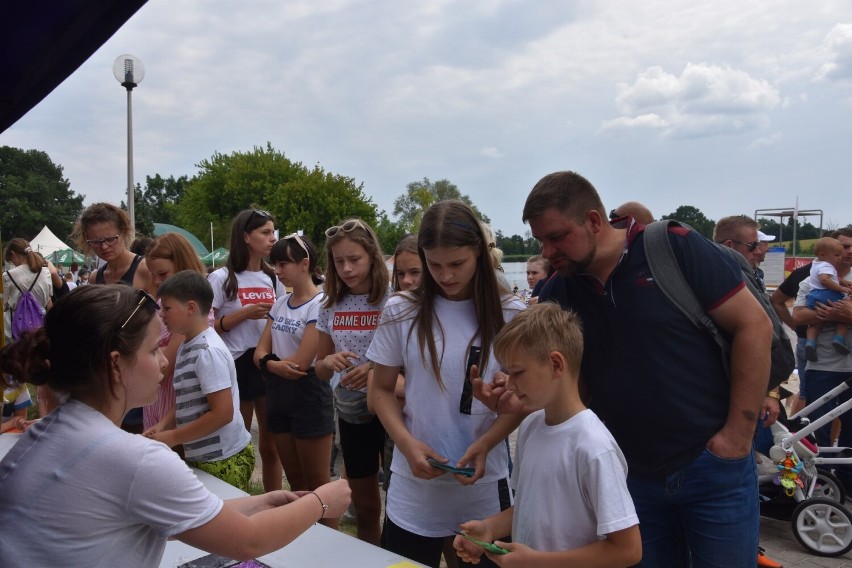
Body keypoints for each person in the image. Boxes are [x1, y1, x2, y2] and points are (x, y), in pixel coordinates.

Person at [477, 171, 771, 566]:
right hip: (631, 476)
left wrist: (737, 436)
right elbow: (548, 373)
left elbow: (754, 326)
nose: (547, 251)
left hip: (713, 468)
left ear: (594, 222)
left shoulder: (672, 247)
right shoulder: (562, 288)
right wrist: (511, 392)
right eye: (540, 241)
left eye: (557, 236)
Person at [0, 285, 350, 566]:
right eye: (154, 350)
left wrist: (262, 502)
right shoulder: (135, 459)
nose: (164, 360)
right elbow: (248, 541)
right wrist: (321, 500)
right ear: (115, 365)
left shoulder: (46, 432)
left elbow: (175, 517)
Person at [367, 200, 525, 568]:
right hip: (413, 487)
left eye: (457, 264)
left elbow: (524, 401)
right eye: (433, 265)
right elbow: (379, 390)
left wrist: (486, 442)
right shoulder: (401, 309)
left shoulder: (511, 313)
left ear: (479, 256)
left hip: (484, 486)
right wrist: (406, 444)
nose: (445, 276)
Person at [453, 302, 641, 567]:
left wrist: (538, 561)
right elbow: (530, 508)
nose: (509, 383)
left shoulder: (594, 447)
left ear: (555, 364)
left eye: (517, 372)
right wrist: (489, 528)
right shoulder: (531, 426)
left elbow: (628, 550)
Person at [315, 217, 390, 546]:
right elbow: (319, 368)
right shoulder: (329, 304)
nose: (346, 268)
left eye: (354, 259)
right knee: (365, 504)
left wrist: (374, 367)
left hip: (393, 408)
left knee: (401, 503)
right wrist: (328, 361)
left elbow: (412, 361)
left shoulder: (392, 299)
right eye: (339, 261)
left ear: (372, 256)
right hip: (350, 411)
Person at [253, 233, 336, 526]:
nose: (277, 270)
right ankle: (306, 541)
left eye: (282, 264)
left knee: (319, 488)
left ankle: (329, 548)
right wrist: (271, 364)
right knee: (297, 482)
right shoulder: (280, 302)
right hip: (278, 393)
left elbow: (301, 362)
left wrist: (267, 363)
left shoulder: (321, 303)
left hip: (308, 393)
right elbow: (259, 351)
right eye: (274, 264)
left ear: (304, 264)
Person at [144, 271, 254, 491]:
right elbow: (187, 396)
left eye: (167, 308)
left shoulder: (207, 352)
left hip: (223, 458)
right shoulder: (188, 344)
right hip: (204, 455)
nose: (162, 316)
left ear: (191, 308)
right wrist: (164, 424)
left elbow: (222, 413)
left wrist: (173, 436)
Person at [209, 209, 283, 492]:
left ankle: (274, 499)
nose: (272, 238)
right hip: (235, 363)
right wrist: (243, 315)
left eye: (272, 232)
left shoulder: (273, 278)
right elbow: (204, 328)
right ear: (245, 237)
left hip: (265, 361)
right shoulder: (221, 278)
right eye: (265, 232)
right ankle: (238, 498)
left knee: (271, 444)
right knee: (237, 440)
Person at [142, 232, 209, 432]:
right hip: (156, 400)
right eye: (153, 275)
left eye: (162, 274)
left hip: (176, 404)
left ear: (182, 265)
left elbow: (167, 364)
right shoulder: (164, 303)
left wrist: (149, 350)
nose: (156, 281)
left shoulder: (191, 308)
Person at [71, 202, 150, 289]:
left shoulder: (146, 269)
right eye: (96, 242)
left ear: (124, 232)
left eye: (110, 239)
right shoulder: (94, 278)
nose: (104, 247)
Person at [803, 237, 851, 360]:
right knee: (844, 314)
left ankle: (810, 342)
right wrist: (842, 289)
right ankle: (839, 338)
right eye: (836, 255)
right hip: (828, 294)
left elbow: (833, 277)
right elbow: (825, 280)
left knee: (814, 324)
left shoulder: (816, 263)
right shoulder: (826, 265)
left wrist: (843, 282)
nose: (840, 258)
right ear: (822, 255)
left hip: (814, 296)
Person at [3, 238, 51, 344]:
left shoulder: (8, 276)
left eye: (11, 260)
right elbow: (48, 298)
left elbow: (5, 304)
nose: (13, 264)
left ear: (13, 254)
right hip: (39, 326)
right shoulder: (46, 272)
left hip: (16, 328)